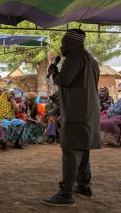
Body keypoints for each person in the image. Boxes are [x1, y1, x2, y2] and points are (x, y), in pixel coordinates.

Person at [42, 29, 101, 207]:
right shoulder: (90, 59)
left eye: (64, 43)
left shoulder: (75, 56)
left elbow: (64, 80)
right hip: (88, 111)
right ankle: (84, 186)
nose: (61, 46)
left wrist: (54, 71)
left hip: (77, 112)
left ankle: (66, 194)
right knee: (82, 149)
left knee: (70, 151)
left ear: (73, 43)